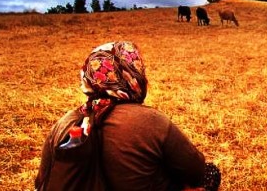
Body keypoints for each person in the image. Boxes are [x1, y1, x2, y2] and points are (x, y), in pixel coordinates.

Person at [35, 41, 220, 191]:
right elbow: (196, 171)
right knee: (210, 173)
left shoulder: (64, 122)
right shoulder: (150, 121)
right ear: (133, 75)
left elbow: (41, 183)